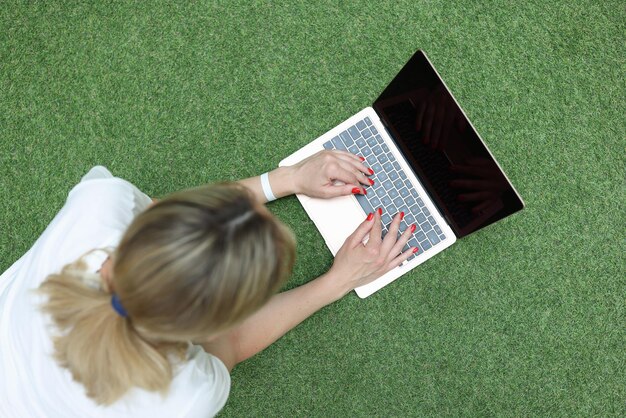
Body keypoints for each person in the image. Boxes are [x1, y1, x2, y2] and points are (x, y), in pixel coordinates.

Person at [0, 150, 418, 417]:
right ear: (207, 328)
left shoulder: (98, 207)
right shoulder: (185, 398)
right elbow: (233, 343)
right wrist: (336, 282)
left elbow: (162, 214)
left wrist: (285, 180)